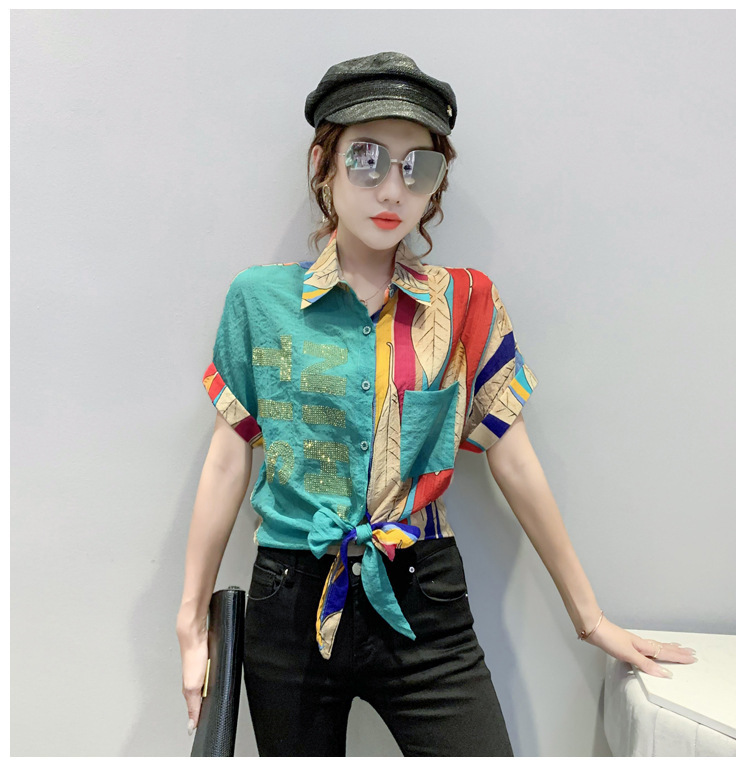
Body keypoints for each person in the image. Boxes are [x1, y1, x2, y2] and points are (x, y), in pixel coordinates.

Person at [176, 51, 697, 757]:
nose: (393, 187)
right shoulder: (259, 301)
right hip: (290, 600)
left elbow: (513, 459)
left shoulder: (467, 304)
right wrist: (191, 623)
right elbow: (227, 459)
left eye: (417, 167)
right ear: (323, 165)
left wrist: (591, 617)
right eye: (367, 158)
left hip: (423, 595)